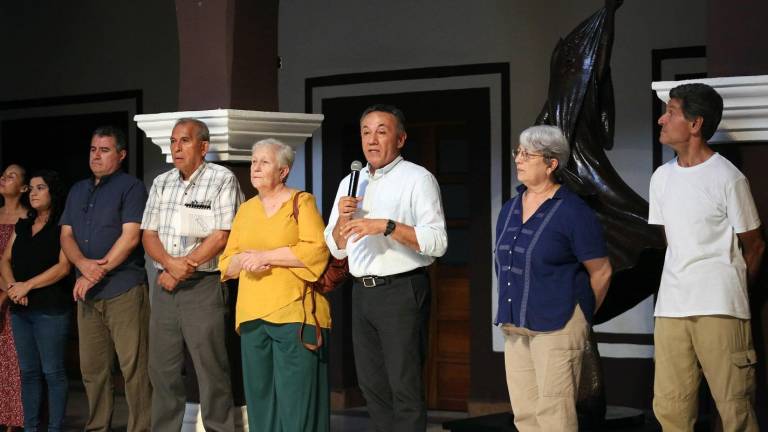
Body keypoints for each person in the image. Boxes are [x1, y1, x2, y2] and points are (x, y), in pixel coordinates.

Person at [324, 104, 448, 431]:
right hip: (361, 294)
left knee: (403, 386)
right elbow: (335, 245)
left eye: (382, 131)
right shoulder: (351, 182)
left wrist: (387, 226)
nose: (372, 140)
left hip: (401, 290)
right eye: (366, 132)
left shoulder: (418, 179)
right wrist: (342, 220)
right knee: (372, 388)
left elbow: (437, 242)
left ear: (401, 138)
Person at [650, 83, 765, 431]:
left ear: (696, 123)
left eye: (670, 112)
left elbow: (755, 245)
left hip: (720, 308)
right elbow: (672, 240)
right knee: (670, 408)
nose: (661, 119)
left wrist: (732, 289)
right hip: (671, 308)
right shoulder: (661, 178)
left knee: (735, 410)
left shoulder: (728, 178)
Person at [494, 125, 612, 432]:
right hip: (516, 323)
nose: (519, 159)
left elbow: (601, 271)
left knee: (554, 416)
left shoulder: (573, 211)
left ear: (551, 163)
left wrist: (582, 317)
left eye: (528, 154)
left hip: (559, 323)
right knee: (525, 416)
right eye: (517, 152)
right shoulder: (509, 209)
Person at [220, 138, 331, 431]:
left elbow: (316, 250)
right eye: (254, 161)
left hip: (293, 312)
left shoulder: (301, 202)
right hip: (252, 314)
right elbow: (226, 263)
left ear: (283, 171)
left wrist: (266, 256)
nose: (255, 167)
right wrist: (246, 259)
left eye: (264, 162)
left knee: (296, 399)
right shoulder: (246, 210)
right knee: (259, 398)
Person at [141, 117, 243, 432]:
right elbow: (148, 234)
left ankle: (219, 428)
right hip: (165, 286)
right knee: (162, 368)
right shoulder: (162, 182)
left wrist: (183, 268)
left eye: (184, 141)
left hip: (204, 285)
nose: (176, 147)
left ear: (203, 146)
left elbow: (223, 234)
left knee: (210, 367)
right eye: (173, 141)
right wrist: (171, 266)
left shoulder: (221, 179)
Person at [59, 126, 151, 432]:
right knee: (92, 370)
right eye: (93, 149)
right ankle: (97, 427)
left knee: (133, 369)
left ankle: (139, 428)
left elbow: (130, 237)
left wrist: (97, 270)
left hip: (122, 289)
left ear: (121, 154)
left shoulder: (131, 187)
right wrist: (84, 265)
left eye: (105, 150)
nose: (96, 156)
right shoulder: (77, 189)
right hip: (87, 292)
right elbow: (66, 235)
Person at [0, 170, 72, 432]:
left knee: (52, 373)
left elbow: (63, 267)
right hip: (21, 309)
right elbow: (5, 260)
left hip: (50, 309)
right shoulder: (23, 224)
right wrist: (12, 289)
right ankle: (30, 428)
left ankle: (54, 429)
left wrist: (26, 285)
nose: (33, 193)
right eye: (31, 188)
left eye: (40, 188)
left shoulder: (63, 225)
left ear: (53, 192)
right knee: (28, 373)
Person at [0, 164, 28, 432]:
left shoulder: (26, 219)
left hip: (15, 295)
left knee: (13, 361)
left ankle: (15, 422)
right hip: (4, 289)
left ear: (23, 187)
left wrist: (6, 293)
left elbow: (19, 261)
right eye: (3, 174)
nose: (4, 179)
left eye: (12, 176)